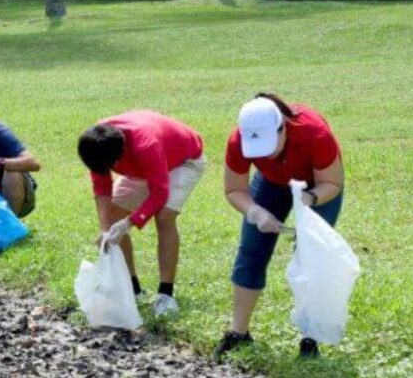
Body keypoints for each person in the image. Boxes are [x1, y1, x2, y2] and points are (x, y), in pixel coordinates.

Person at [214, 94, 345, 361]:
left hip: (317, 186)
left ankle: (311, 338)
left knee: (311, 256)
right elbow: (234, 189)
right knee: (251, 251)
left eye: (269, 145)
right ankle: (239, 332)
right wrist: (254, 211)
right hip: (271, 183)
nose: (266, 153)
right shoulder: (238, 140)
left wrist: (309, 199)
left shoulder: (314, 133)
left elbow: (332, 182)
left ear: (283, 128)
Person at [76, 110, 206, 317]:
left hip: (183, 161)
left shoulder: (146, 145)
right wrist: (105, 227)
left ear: (119, 157)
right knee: (113, 217)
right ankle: (133, 289)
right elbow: (101, 188)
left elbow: (159, 193)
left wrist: (129, 223)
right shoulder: (97, 144)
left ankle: (166, 295)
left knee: (164, 216)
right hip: (141, 168)